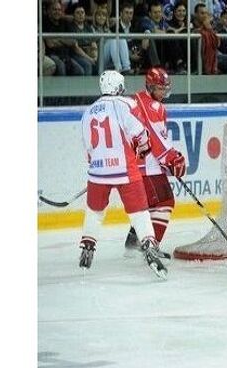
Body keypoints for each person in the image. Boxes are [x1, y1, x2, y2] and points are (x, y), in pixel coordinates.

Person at [79, 70, 167, 279]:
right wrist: (142, 149)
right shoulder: (125, 104)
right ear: (119, 86)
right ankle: (149, 246)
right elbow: (140, 134)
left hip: (98, 172)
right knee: (139, 212)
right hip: (125, 169)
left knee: (95, 210)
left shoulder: (88, 112)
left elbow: (88, 150)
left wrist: (99, 165)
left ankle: (87, 247)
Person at [124, 67, 187, 255]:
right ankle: (151, 247)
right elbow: (156, 137)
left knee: (150, 204)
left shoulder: (134, 100)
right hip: (147, 166)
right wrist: (171, 158)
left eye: (165, 88)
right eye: (160, 89)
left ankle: (133, 240)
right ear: (150, 87)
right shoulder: (154, 106)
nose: (163, 93)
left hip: (135, 165)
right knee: (166, 201)